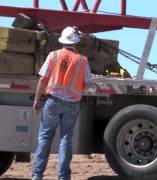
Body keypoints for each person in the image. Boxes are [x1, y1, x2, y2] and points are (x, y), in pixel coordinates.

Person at [32, 26, 92, 180]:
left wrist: (37, 99)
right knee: (65, 140)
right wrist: (78, 93)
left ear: (62, 41)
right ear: (76, 42)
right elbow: (87, 83)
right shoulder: (82, 60)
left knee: (45, 138)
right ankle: (63, 177)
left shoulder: (53, 56)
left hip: (53, 101)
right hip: (72, 103)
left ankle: (37, 176)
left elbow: (43, 78)